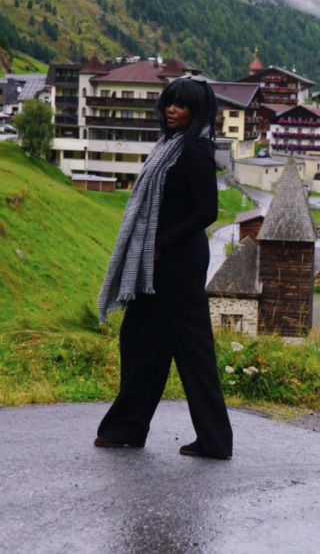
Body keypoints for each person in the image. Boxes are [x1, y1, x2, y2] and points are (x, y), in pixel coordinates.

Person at [94, 77, 233, 459]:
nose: (172, 109)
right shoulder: (171, 146)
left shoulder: (194, 151)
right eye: (168, 102)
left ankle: (128, 429)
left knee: (143, 340)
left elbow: (207, 212)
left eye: (181, 105)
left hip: (175, 262)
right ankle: (214, 440)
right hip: (167, 260)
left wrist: (159, 244)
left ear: (198, 110)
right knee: (189, 349)